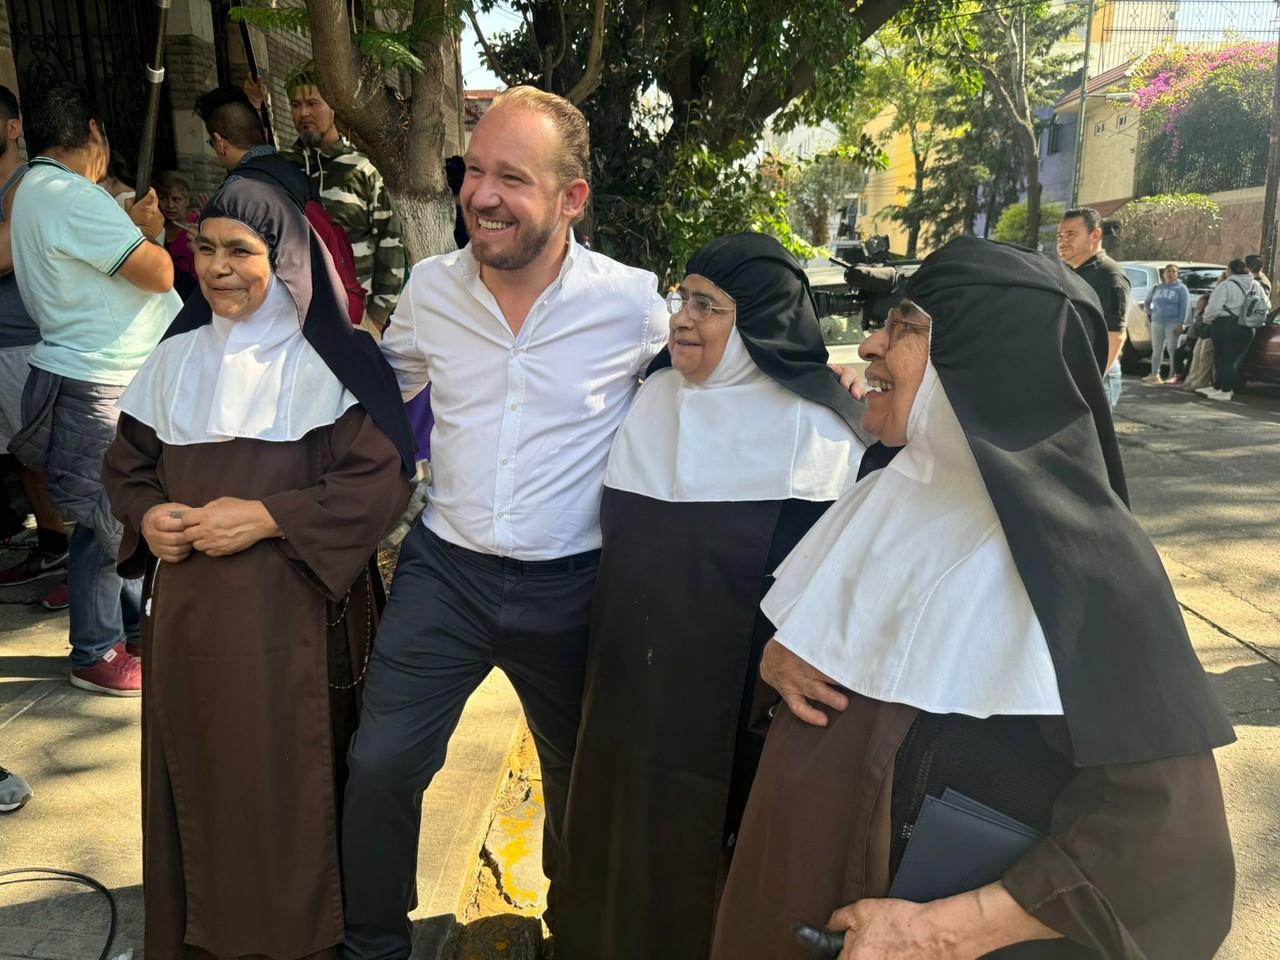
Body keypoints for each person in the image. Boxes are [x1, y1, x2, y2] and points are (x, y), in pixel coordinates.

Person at [711, 237, 1235, 960]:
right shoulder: (891, 488)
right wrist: (777, 660)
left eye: (902, 328)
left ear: (983, 357)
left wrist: (938, 935)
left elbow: (1165, 850)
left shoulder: (1094, 572)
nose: (868, 343)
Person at [337, 85, 667, 957]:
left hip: (575, 587)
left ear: (572, 199)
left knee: (580, 779)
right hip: (446, 574)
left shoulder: (633, 306)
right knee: (379, 769)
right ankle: (372, 945)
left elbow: (712, 395)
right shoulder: (431, 291)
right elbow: (375, 386)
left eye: (512, 178)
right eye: (474, 171)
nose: (482, 194)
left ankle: (574, 930)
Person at [101, 177, 414, 958]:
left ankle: (299, 939)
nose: (217, 267)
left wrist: (271, 517)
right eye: (204, 249)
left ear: (287, 261)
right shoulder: (174, 359)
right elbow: (128, 466)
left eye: (239, 250)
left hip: (297, 622)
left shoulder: (336, 364)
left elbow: (377, 482)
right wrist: (149, 516)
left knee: (287, 787)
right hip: (193, 623)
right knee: (202, 780)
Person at [554, 233, 866, 960]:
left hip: (733, 703)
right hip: (629, 682)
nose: (682, 319)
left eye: (707, 306)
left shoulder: (819, 429)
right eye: (681, 300)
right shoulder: (647, 397)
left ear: (759, 322)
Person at [7, 81, 179, 695]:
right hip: (99, 377)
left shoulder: (33, 189)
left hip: (99, 371)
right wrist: (149, 231)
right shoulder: (72, 196)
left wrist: (124, 223)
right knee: (105, 520)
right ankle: (95, 650)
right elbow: (157, 273)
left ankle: (128, 631)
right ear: (94, 133)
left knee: (118, 512)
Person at [196, 85, 368, 328]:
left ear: (219, 142)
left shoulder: (235, 193)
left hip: (277, 321)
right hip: (325, 306)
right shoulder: (295, 172)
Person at [0, 84, 69, 606]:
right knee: (23, 457)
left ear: (14, 127)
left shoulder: (29, 186)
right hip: (5, 345)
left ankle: (72, 549)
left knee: (44, 454)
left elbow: (5, 255)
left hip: (29, 341)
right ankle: (51, 544)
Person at [279, 75, 405, 331]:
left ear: (333, 105)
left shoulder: (364, 168)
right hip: (295, 319)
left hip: (357, 318)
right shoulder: (281, 168)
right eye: (295, 105)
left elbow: (391, 242)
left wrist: (378, 317)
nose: (303, 113)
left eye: (313, 103)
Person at [1056, 207, 1129, 409]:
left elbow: (1116, 334)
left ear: (1095, 235)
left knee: (1096, 439)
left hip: (1097, 376)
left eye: (1071, 235)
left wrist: (1093, 381)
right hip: (1071, 371)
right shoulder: (1069, 272)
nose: (1062, 241)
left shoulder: (1109, 275)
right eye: (1060, 235)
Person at [1197, 258, 1263, 402]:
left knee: (1222, 359)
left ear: (1230, 270)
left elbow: (1214, 308)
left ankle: (1225, 390)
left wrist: (1206, 320)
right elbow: (1266, 304)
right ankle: (1219, 387)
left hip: (1225, 325)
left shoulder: (1226, 285)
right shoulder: (1256, 285)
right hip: (1247, 327)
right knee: (1233, 360)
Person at [154, 169, 198, 300]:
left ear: (187, 201)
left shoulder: (197, 226)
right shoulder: (155, 228)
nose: (170, 205)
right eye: (163, 198)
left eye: (176, 199)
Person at [1143, 263, 1188, 384]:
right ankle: (1154, 374)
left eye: (1174, 272)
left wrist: (1181, 323)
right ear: (1163, 273)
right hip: (1157, 321)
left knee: (1172, 349)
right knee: (1157, 349)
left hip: (1173, 322)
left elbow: (1184, 307)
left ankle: (1172, 374)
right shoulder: (1157, 287)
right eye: (1168, 271)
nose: (1171, 274)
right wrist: (1150, 312)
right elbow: (1147, 302)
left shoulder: (1181, 289)